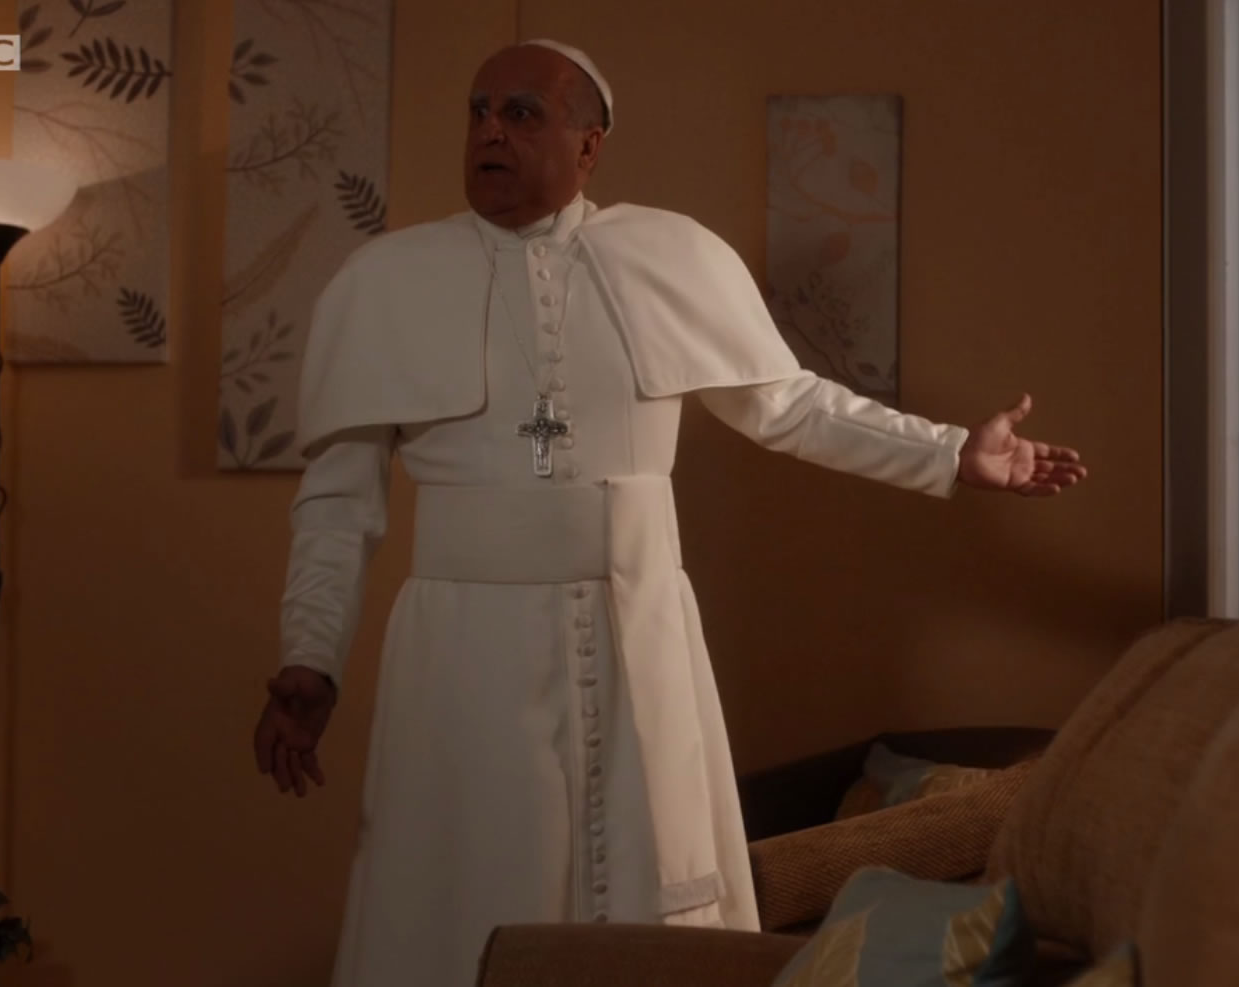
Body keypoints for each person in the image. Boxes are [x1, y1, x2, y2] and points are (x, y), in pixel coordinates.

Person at [251, 38, 1087, 987]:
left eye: (521, 112)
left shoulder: (671, 255)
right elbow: (338, 500)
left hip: (634, 629)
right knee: (467, 890)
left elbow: (790, 406)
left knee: (648, 889)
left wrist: (949, 452)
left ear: (589, 145)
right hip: (463, 650)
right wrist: (310, 656)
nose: (490, 131)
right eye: (478, 112)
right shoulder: (384, 282)